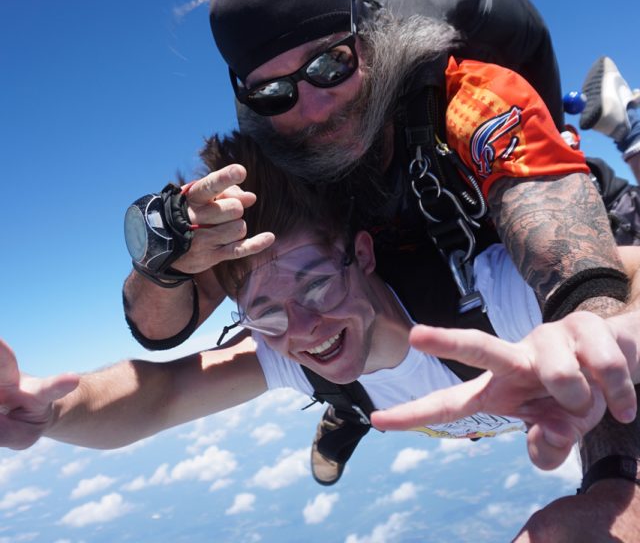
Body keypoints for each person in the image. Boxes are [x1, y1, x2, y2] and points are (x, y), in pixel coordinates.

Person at [121, 0, 639, 512]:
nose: (313, 108)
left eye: (330, 64)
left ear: (365, 41)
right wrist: (164, 256)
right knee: (329, 323)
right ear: (247, 98)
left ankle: (626, 124)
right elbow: (161, 330)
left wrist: (614, 478)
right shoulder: (272, 167)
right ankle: (350, 403)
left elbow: (569, 262)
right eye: (274, 91)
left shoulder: (465, 97)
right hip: (394, 301)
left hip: (539, 225)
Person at [4, 133, 640, 541]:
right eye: (268, 315)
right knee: (336, 375)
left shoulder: (487, 299)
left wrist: (604, 326)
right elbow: (162, 393)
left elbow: (624, 277)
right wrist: (48, 408)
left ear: (362, 253)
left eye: (313, 287)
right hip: (385, 387)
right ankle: (351, 412)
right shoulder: (287, 352)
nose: (302, 329)